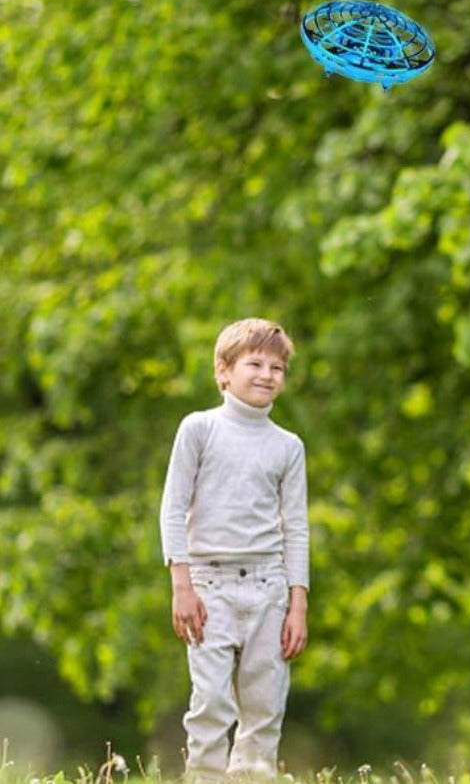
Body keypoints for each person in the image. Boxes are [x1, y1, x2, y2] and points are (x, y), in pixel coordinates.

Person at [159, 317, 309, 780]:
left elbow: (296, 527)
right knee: (211, 702)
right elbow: (173, 508)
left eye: (277, 367)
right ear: (224, 371)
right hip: (208, 586)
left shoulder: (288, 446)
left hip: (269, 588)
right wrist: (181, 585)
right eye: (255, 363)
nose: (267, 374)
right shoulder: (199, 429)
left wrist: (297, 604)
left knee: (265, 705)